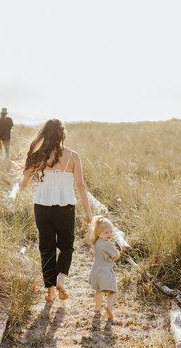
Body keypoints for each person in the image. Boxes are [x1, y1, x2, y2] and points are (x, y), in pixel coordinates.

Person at [19, 119, 93, 302]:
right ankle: (61, 280)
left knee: (46, 247)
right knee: (66, 246)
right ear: (63, 134)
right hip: (65, 207)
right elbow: (81, 186)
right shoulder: (73, 156)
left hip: (42, 207)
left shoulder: (38, 157)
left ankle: (50, 291)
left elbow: (23, 186)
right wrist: (89, 213)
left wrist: (24, 178)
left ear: (45, 134)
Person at [86, 216, 120, 320]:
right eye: (106, 232)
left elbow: (88, 239)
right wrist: (117, 253)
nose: (109, 234)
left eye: (110, 232)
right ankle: (108, 307)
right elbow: (115, 256)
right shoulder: (109, 244)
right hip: (105, 271)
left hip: (95, 271)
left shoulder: (96, 242)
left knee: (98, 290)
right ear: (98, 233)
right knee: (112, 291)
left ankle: (97, 309)